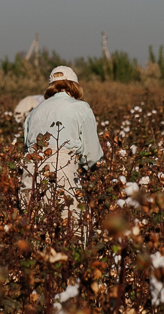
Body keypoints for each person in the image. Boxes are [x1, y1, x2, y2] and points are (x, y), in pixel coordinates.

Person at [20, 65, 104, 234]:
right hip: (63, 169)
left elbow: (26, 148)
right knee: (72, 229)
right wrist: (91, 171)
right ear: (75, 86)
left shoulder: (34, 112)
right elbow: (92, 155)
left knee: (36, 229)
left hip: (31, 171)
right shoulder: (80, 107)